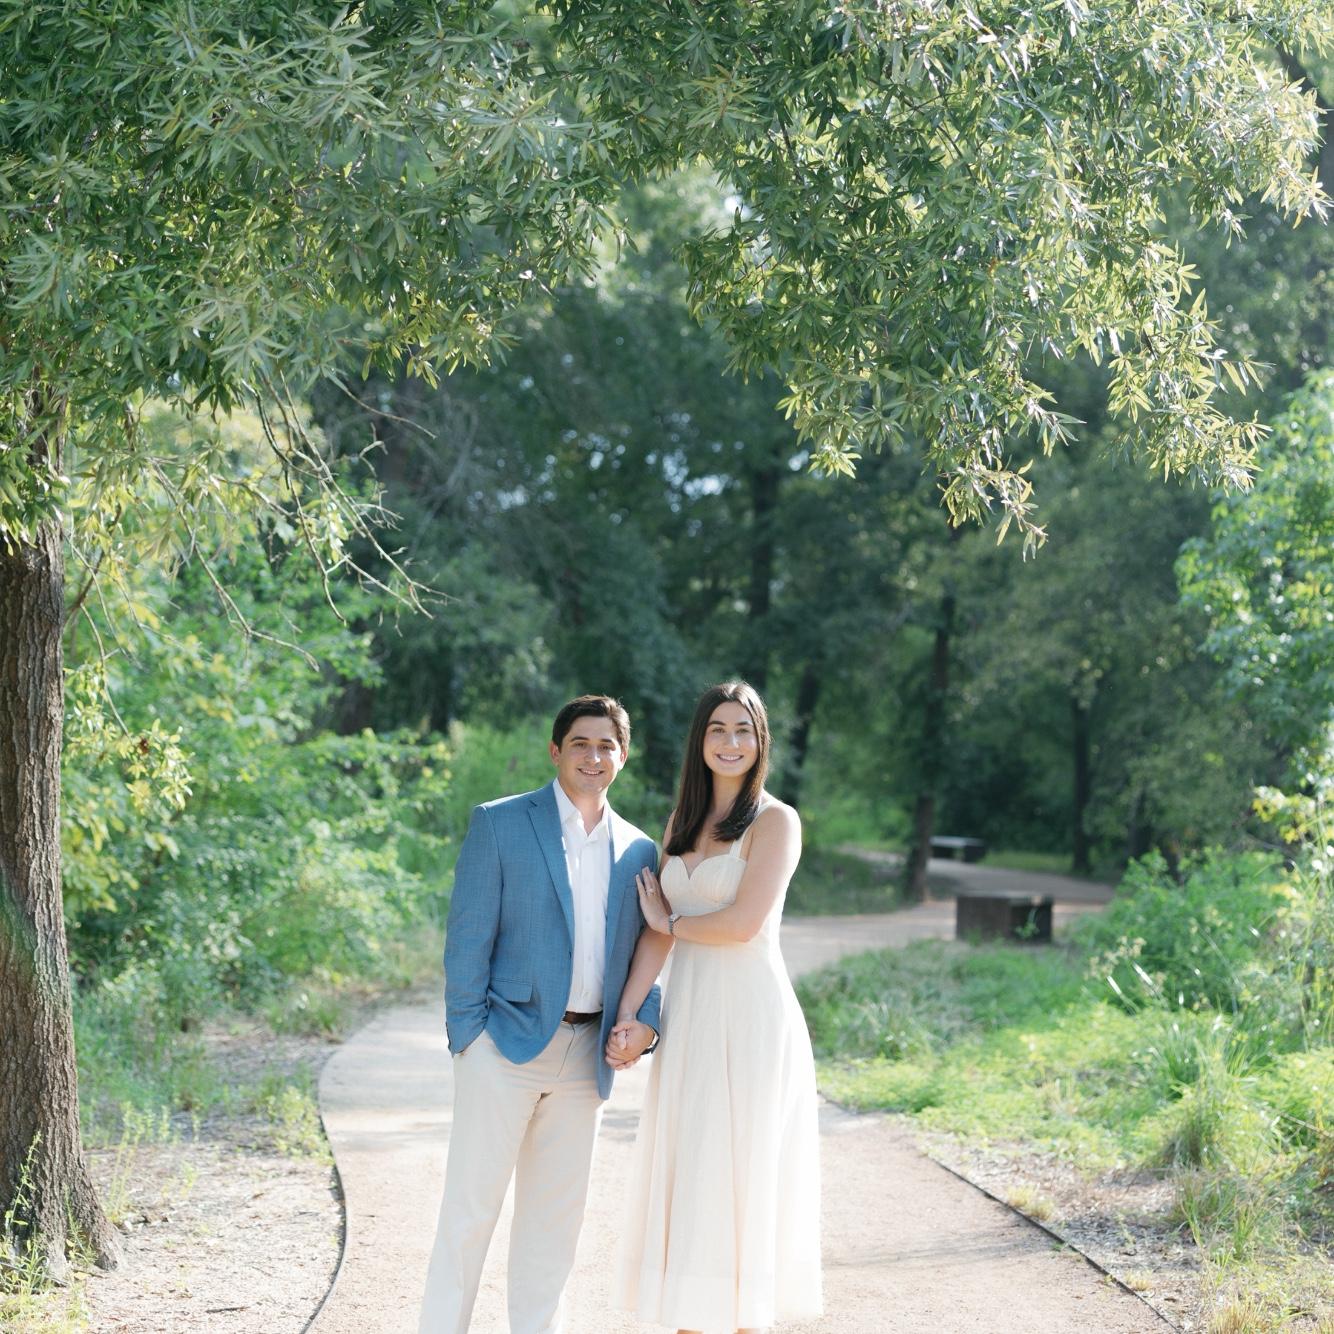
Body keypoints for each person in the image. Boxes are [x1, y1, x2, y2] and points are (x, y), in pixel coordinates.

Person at [418, 694, 662, 1334]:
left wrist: (646, 1025)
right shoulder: (500, 824)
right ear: (556, 750)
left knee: (554, 1226)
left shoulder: (640, 850)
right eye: (580, 743)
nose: (593, 756)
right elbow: (467, 939)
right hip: (501, 1046)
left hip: (587, 1060)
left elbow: (651, 948)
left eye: (606, 745)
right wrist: (468, 1039)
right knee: (469, 1213)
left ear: (624, 756)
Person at [609, 681, 823, 1334]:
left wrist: (670, 921)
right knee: (694, 1173)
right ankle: (689, 1321)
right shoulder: (681, 822)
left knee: (737, 1176)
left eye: (743, 730)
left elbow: (741, 924)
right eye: (717, 730)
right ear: (699, 741)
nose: (730, 743)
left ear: (761, 742)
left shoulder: (776, 822)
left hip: (752, 1018)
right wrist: (628, 1016)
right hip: (693, 1019)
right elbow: (656, 932)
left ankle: (742, 1320)